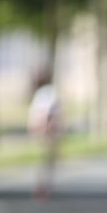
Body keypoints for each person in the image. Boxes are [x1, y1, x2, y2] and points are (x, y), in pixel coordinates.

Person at [27, 70, 64, 202]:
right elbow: (48, 113)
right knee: (47, 160)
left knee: (44, 160)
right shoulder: (49, 93)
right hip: (48, 130)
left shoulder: (39, 94)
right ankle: (44, 186)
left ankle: (42, 185)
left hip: (41, 129)